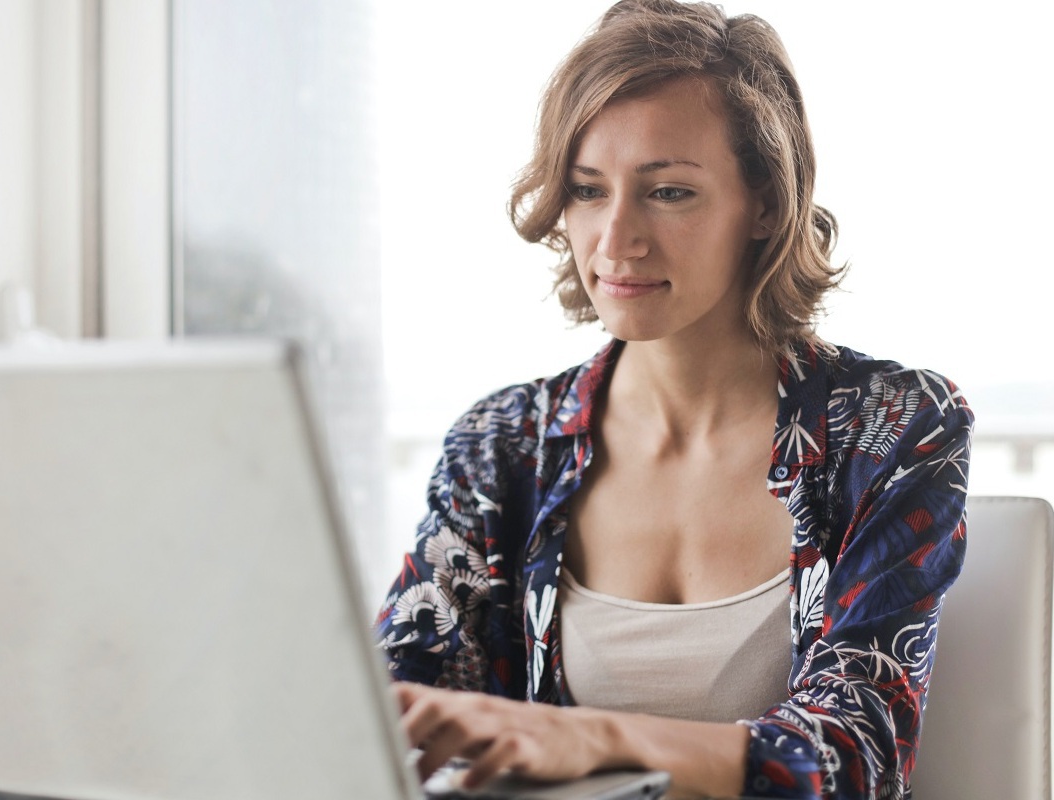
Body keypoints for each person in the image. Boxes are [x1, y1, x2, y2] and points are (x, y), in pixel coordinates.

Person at [375, 1, 974, 798]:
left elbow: (858, 755)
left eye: (668, 192)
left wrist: (591, 738)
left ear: (765, 203)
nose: (615, 238)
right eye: (587, 190)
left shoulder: (892, 428)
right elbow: (387, 716)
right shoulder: (503, 445)